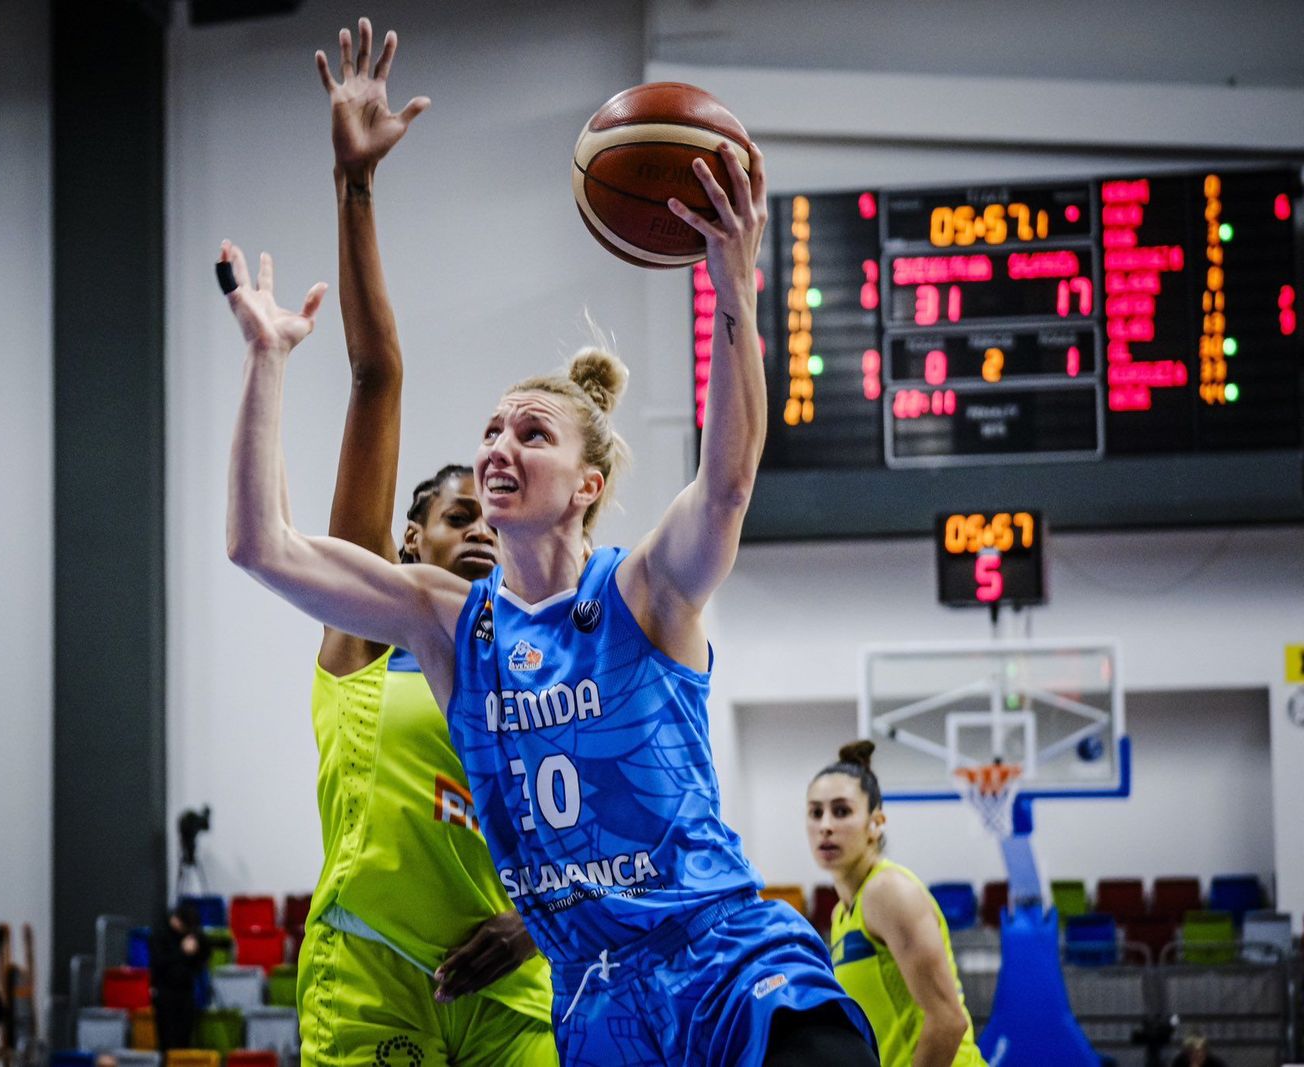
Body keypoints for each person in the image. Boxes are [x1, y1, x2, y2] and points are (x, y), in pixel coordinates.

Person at [218, 72, 875, 1064]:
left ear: (585, 485)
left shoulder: (642, 590)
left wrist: (731, 283)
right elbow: (258, 545)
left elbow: (728, 483)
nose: (496, 445)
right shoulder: (448, 624)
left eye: (530, 431)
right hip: (590, 989)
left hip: (711, 952)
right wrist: (266, 359)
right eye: (488, 429)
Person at [292, 18, 555, 1065]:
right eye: (458, 516)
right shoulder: (362, 637)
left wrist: (536, 918)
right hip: (369, 977)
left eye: (495, 516)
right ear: (407, 538)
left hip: (518, 986)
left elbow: (619, 833)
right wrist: (353, 188)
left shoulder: (552, 662)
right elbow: (375, 375)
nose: (482, 531)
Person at [806, 741, 985, 1067]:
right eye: (815, 812)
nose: (825, 825)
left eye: (841, 811)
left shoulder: (888, 892)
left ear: (876, 823)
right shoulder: (842, 913)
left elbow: (948, 1020)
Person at [150, 901, 210, 1051]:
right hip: (165, 992)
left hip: (186, 992)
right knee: (167, 1041)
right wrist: (182, 952)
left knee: (184, 1040)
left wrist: (196, 947)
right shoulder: (160, 935)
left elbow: (203, 956)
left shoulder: (190, 936)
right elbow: (160, 963)